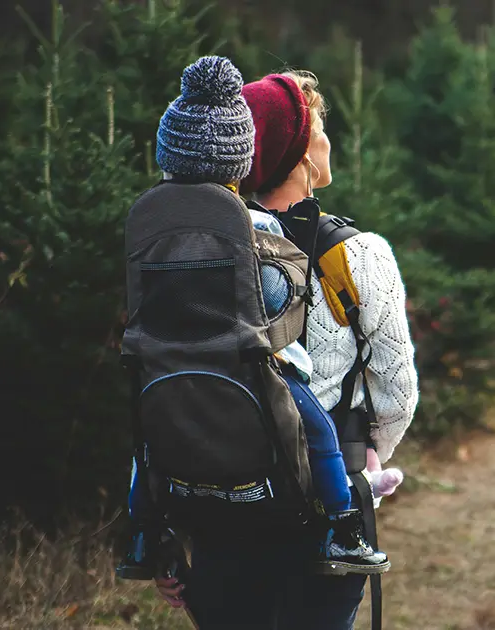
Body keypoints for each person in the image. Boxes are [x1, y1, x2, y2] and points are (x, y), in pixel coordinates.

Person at [156, 69, 419, 628]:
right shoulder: (359, 255)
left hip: (220, 497)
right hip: (327, 506)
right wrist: (366, 464)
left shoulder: (204, 249)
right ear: (301, 153)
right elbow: (396, 392)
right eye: (319, 128)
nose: (328, 138)